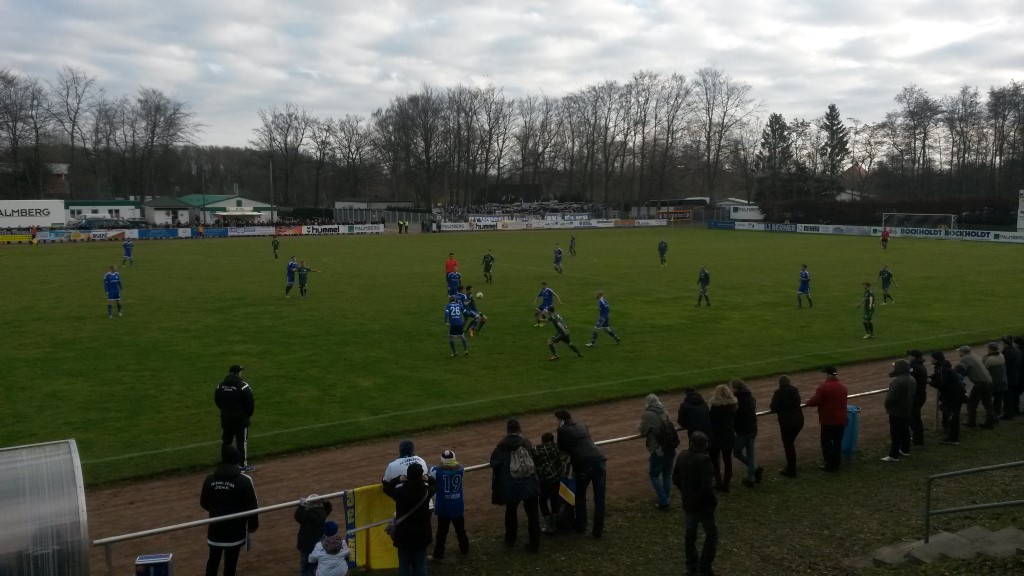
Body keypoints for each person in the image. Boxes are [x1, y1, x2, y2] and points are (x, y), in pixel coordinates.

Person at [200, 445, 259, 576]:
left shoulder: (209, 479)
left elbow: (203, 503)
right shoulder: (245, 481)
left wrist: (217, 510)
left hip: (215, 529)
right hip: (235, 531)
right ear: (236, 461)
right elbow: (252, 507)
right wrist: (253, 525)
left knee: (212, 562)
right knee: (230, 565)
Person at [490, 419, 541, 552]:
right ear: (519, 430)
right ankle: (535, 543)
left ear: (508, 431)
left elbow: (494, 463)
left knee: (511, 512)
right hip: (529, 483)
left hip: (511, 485)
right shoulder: (526, 443)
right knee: (533, 515)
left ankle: (510, 540)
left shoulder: (501, 447)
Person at [672, 431, 718, 576]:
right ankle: (704, 566)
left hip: (689, 503)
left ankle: (691, 566)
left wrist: (685, 492)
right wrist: (713, 502)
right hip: (703, 506)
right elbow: (706, 487)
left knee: (690, 535)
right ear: (705, 445)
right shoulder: (704, 461)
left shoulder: (682, 456)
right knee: (712, 534)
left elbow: (675, 478)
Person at [555, 409, 606, 538]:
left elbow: (561, 449)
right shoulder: (583, 426)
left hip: (584, 465)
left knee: (580, 495)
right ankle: (598, 531)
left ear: (561, 420)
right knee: (599, 498)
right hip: (599, 460)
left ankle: (581, 525)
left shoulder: (562, 430)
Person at [387, 462, 435, 576]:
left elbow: (386, 487)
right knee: (421, 564)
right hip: (422, 535)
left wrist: (399, 479)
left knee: (404, 565)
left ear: (407, 476)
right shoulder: (427, 491)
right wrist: (427, 478)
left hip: (404, 536)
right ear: (421, 476)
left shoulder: (399, 492)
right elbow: (436, 483)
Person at [805, 366, 848, 472]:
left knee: (826, 443)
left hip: (828, 421)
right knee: (837, 442)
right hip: (841, 420)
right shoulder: (843, 387)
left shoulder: (824, 387)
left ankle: (830, 464)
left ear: (828, 375)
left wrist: (807, 402)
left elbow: (815, 401)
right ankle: (836, 463)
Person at [429, 450, 470, 559]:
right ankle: (465, 549)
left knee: (441, 533)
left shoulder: (436, 471)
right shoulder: (461, 470)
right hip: (457, 505)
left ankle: (438, 555)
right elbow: (459, 466)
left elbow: (431, 471)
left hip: (444, 507)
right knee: (460, 529)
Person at [215, 365, 255, 472]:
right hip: (241, 421)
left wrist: (225, 412)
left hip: (226, 419)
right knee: (242, 442)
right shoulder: (243, 386)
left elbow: (218, 402)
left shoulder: (220, 386)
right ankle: (242, 465)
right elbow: (250, 404)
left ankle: (225, 464)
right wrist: (247, 415)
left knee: (226, 442)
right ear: (238, 373)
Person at [639, 393, 676, 510]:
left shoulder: (648, 414)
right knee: (667, 474)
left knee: (654, 475)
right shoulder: (664, 411)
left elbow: (643, 431)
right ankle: (666, 497)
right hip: (670, 448)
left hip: (658, 449)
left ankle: (663, 501)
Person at [769, 375, 804, 477]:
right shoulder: (795, 390)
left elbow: (773, 407)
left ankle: (792, 469)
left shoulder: (778, 393)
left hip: (787, 423)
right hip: (799, 420)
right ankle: (791, 467)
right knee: (790, 444)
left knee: (788, 445)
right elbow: (798, 402)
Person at [730, 378, 762, 488]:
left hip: (743, 430)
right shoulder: (750, 397)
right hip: (752, 429)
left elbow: (735, 414)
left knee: (737, 452)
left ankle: (755, 469)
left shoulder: (737, 399)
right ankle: (751, 477)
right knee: (750, 454)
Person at [881, 359, 916, 462]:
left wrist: (887, 405)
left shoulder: (898, 381)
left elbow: (890, 398)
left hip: (896, 411)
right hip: (907, 409)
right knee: (905, 431)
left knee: (895, 433)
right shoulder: (912, 379)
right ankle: (905, 450)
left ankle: (893, 455)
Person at [929, 352, 965, 445]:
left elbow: (941, 384)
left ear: (936, 359)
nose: (930, 360)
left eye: (932, 358)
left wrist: (930, 382)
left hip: (954, 394)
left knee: (951, 414)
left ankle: (953, 438)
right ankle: (951, 434)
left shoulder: (942, 368)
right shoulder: (941, 367)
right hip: (955, 393)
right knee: (949, 412)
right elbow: (937, 377)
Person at [707, 384, 737, 492]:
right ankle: (726, 485)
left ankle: (718, 481)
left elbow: (710, 421)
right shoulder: (733, 406)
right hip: (728, 436)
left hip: (716, 437)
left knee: (714, 460)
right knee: (727, 461)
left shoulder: (715, 408)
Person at [531, 432, 562, 534]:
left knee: (543, 501)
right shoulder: (557, 447)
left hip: (544, 479)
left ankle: (549, 526)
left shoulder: (537, 449)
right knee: (555, 499)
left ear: (542, 440)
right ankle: (555, 525)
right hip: (556, 478)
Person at [295, 494, 333, 576]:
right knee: (316, 563)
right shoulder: (323, 513)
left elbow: (297, 516)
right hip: (318, 544)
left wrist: (301, 505)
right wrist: (325, 502)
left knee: (305, 566)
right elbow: (329, 508)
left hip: (306, 545)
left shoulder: (307, 516)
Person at [958, 345, 995, 428]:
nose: (959, 353)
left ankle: (971, 422)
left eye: (960, 351)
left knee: (971, 403)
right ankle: (990, 422)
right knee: (988, 403)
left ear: (963, 352)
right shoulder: (974, 355)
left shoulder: (965, 359)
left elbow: (962, 372)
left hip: (980, 383)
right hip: (989, 381)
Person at [907, 350, 929, 446]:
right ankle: (917, 437)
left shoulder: (914, 367)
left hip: (916, 396)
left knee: (914, 418)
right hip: (921, 395)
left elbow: (910, 381)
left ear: (914, 357)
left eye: (910, 356)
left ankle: (918, 439)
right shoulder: (921, 365)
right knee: (915, 417)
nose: (908, 357)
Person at [984, 342, 1008, 418]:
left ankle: (991, 416)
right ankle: (997, 414)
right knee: (998, 399)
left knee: (988, 400)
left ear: (990, 350)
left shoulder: (989, 359)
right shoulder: (1002, 356)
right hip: (1003, 381)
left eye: (988, 348)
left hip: (993, 383)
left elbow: (984, 370)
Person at [1000, 336, 1021, 420]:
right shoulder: (1016, 350)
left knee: (1007, 396)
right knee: (1013, 394)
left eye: (1002, 343)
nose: (1001, 344)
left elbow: (1004, 365)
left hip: (1008, 376)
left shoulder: (1008, 352)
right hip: (1015, 375)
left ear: (1006, 343)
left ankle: (1007, 414)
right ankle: (1014, 410)